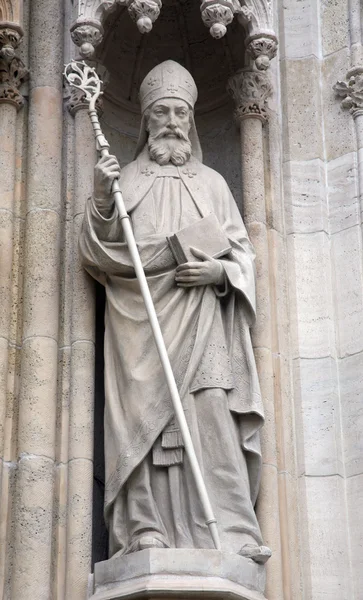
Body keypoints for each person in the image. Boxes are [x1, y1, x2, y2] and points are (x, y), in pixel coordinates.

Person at [79, 60, 270, 563]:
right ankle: (143, 530)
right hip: (138, 320)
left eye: (179, 112)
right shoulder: (127, 182)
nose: (170, 121)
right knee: (139, 418)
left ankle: (229, 530)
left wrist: (220, 274)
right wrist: (101, 200)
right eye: (160, 111)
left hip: (203, 318)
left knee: (210, 412)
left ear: (191, 120)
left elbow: (243, 254)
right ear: (144, 120)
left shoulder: (211, 184)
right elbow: (99, 254)